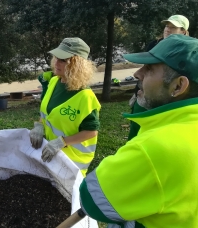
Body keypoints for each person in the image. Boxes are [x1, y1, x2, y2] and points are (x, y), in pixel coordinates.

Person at [80, 34, 198, 227]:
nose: (137, 74)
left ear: (178, 86)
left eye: (149, 69)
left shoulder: (153, 148)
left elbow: (92, 201)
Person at [29, 37, 101, 176]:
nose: (56, 62)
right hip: (51, 156)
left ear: (77, 64)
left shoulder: (85, 96)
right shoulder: (54, 82)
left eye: (63, 60)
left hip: (72, 163)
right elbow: (47, 114)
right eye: (56, 57)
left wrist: (61, 143)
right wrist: (39, 126)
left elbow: (91, 131)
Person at [128, 14, 189, 140]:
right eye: (167, 26)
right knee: (136, 132)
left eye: (173, 27)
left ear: (183, 31)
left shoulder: (188, 51)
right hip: (144, 97)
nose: (167, 29)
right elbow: (145, 70)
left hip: (165, 104)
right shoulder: (154, 44)